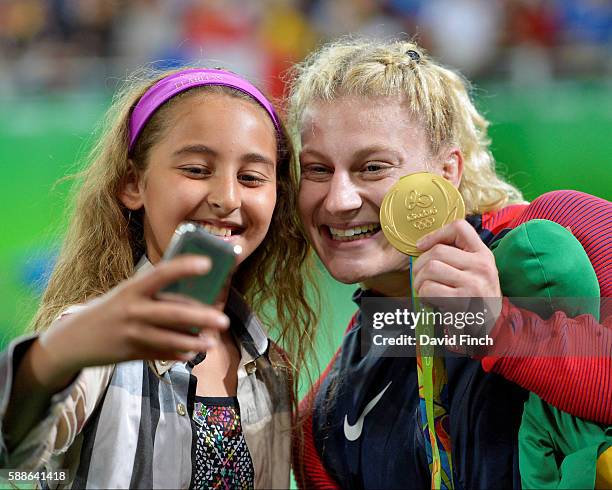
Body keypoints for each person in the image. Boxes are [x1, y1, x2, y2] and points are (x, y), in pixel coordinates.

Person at [285, 38, 612, 488]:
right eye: (318, 170)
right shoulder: (323, 421)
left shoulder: (568, 230)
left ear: (447, 172)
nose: (339, 200)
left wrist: (498, 329)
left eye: (373, 167)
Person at [0, 67, 317, 489]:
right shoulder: (96, 341)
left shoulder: (271, 368)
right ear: (134, 183)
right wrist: (55, 355)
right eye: (196, 170)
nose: (226, 197)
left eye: (251, 178)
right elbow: (14, 454)